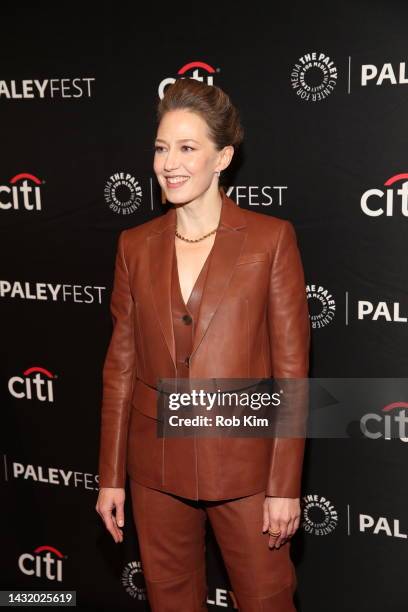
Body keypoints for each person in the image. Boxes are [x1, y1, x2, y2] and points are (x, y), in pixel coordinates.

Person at [95, 78, 310, 611]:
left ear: (223, 158)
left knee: (267, 601)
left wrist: (284, 486)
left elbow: (292, 372)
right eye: (162, 148)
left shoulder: (270, 239)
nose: (170, 162)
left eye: (188, 148)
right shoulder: (134, 245)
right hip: (155, 472)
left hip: (246, 471)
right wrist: (110, 476)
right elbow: (120, 367)